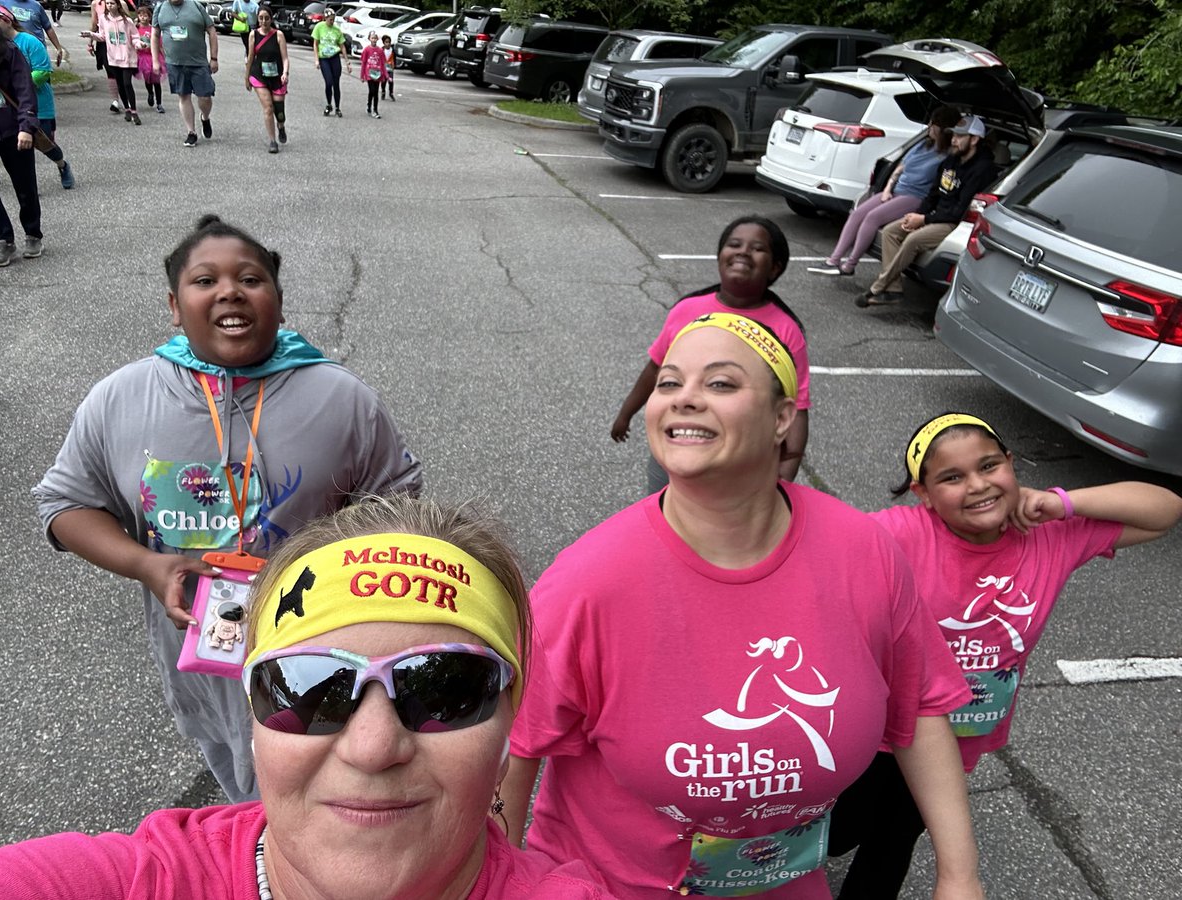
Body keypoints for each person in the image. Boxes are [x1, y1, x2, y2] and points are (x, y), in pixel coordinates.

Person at [504, 313, 985, 899]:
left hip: (786, 881)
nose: (685, 400)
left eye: (721, 384)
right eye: (669, 383)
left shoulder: (863, 552)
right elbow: (513, 754)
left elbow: (921, 708)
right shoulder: (586, 584)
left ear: (783, 418)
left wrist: (959, 875)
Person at [0, 495, 620, 900]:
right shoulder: (142, 882)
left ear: (511, 726)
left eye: (444, 689)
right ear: (254, 719)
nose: (373, 749)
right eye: (312, 687)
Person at [32, 214, 424, 803]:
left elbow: (399, 506)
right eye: (204, 280)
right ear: (173, 305)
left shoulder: (341, 399)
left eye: (250, 278)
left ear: (279, 300)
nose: (229, 291)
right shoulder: (121, 398)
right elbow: (65, 504)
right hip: (199, 655)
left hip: (320, 652)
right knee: (236, 773)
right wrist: (148, 565)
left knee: (322, 790)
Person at [828, 412, 1182, 899]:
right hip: (880, 733)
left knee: (895, 840)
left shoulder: (1050, 536)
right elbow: (816, 550)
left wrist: (1062, 502)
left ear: (1012, 465)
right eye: (951, 477)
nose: (977, 486)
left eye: (989, 466)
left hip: (959, 735)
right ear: (923, 494)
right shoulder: (902, 533)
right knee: (834, 833)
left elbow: (1164, 511)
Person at [611, 215, 811, 488]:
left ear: (775, 268)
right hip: (677, 441)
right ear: (720, 257)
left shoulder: (786, 330)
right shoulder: (687, 311)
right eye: (734, 244)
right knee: (662, 513)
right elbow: (656, 368)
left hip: (738, 457)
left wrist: (784, 478)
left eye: (757, 248)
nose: (743, 251)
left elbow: (797, 407)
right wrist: (626, 413)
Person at [857, 115, 997, 307]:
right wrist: (916, 216)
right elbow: (933, 194)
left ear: (974, 140)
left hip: (952, 223)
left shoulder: (982, 170)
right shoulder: (951, 161)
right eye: (954, 135)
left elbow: (959, 211)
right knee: (890, 231)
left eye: (960, 136)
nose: (954, 140)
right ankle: (894, 289)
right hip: (933, 216)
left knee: (913, 240)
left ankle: (878, 286)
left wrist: (923, 220)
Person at [808, 105, 959, 277]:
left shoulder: (948, 156)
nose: (930, 127)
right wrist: (888, 188)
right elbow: (900, 167)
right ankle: (833, 261)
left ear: (945, 130)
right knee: (857, 214)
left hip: (915, 196)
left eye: (935, 124)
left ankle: (850, 265)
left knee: (872, 217)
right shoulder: (923, 145)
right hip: (896, 190)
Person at [0, 3, 73, 188]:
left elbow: (42, 71)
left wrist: (18, 86)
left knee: (46, 144)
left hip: (39, 106)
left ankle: (62, 165)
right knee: (18, 146)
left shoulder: (29, 41)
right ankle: (16, 182)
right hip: (9, 108)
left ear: (7, 20)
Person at [0, 7, 42, 267]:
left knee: (24, 186)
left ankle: (32, 232)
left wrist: (26, 126)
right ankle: (4, 238)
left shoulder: (8, 50)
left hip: (13, 129)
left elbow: (24, 88)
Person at [152, 0, 219, 147]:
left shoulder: (196, 6)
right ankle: (191, 132)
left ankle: (205, 117)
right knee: (183, 95)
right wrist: (155, 60)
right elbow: (155, 35)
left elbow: (212, 31)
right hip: (175, 63)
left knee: (205, 97)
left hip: (198, 62)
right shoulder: (160, 8)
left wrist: (214, 58)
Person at [86, 0, 140, 123]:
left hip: (126, 53)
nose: (109, 5)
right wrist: (90, 37)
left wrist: (138, 44)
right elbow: (99, 31)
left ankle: (134, 111)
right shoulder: (100, 11)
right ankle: (123, 106)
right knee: (118, 81)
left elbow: (133, 33)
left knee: (127, 83)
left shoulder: (125, 16)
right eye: (108, 3)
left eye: (112, 3)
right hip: (111, 52)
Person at [244, 4, 288, 153]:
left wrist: (285, 73)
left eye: (267, 18)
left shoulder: (279, 35)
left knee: (279, 111)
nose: (264, 21)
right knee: (268, 108)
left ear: (271, 18)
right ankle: (272, 140)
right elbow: (250, 57)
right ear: (257, 19)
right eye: (261, 18)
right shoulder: (253, 35)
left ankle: (281, 126)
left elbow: (285, 58)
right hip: (259, 76)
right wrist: (247, 76)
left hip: (277, 77)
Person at [0, 0, 66, 65]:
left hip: (36, 52)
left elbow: (48, 28)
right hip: (11, 50)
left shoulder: (36, 5)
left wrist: (58, 48)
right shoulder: (1, 3)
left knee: (40, 74)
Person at [311, 5, 349, 116]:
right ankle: (329, 104)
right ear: (325, 18)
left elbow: (342, 46)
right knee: (329, 82)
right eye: (330, 19)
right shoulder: (319, 27)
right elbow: (315, 43)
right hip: (324, 58)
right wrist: (316, 59)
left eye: (333, 19)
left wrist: (347, 61)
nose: (332, 21)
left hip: (334, 57)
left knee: (336, 84)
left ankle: (337, 107)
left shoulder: (337, 30)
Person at [134, 4, 165, 114]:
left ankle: (159, 103)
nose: (143, 18)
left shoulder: (153, 29)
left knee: (156, 81)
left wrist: (165, 57)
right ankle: (150, 93)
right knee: (147, 79)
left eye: (145, 15)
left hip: (154, 56)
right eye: (141, 15)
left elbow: (159, 44)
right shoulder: (136, 29)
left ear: (150, 17)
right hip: (142, 57)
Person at [360, 29, 387, 118]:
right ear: (369, 39)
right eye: (372, 38)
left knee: (376, 92)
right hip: (369, 74)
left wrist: (385, 75)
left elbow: (383, 63)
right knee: (372, 91)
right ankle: (369, 105)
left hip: (378, 74)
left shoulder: (380, 51)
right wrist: (362, 75)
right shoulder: (366, 50)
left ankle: (375, 110)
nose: (374, 40)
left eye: (375, 38)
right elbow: (363, 63)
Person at [381, 32, 394, 99]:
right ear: (383, 43)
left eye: (389, 42)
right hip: (384, 68)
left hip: (390, 68)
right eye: (386, 42)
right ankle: (383, 91)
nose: (388, 44)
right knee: (383, 81)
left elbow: (394, 58)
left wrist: (393, 65)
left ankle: (391, 92)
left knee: (391, 80)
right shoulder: (382, 50)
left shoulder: (392, 50)